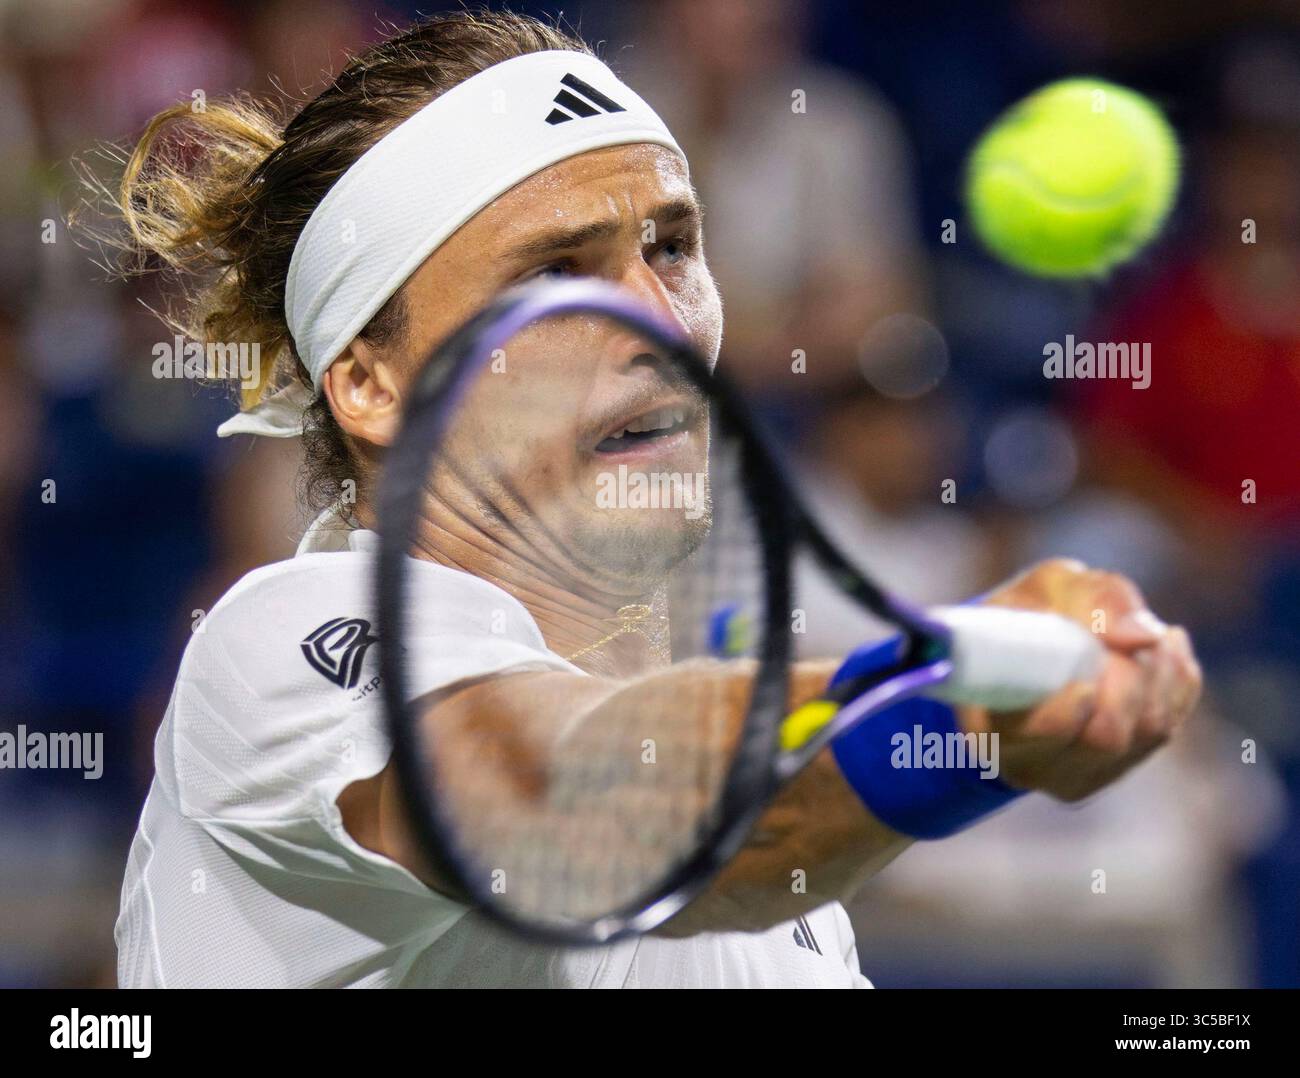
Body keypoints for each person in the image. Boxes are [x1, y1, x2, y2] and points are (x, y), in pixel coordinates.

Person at [100, 10, 1199, 988]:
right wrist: (956, 705)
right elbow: (568, 797)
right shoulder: (277, 649)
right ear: (371, 382)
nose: (662, 326)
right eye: (553, 274)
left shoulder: (792, 902)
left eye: (671, 247)